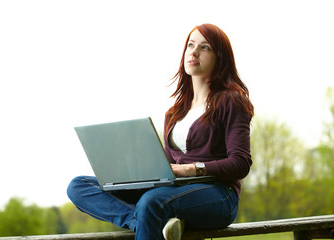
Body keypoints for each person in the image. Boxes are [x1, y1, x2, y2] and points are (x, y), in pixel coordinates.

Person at [67, 23, 254, 240]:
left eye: (205, 47)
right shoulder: (174, 113)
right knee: (79, 185)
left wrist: (191, 169)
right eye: (190, 45)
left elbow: (240, 163)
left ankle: (150, 218)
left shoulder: (232, 101)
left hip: (219, 194)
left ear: (220, 57)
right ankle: (140, 220)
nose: (193, 52)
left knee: (152, 201)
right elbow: (166, 163)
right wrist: (138, 174)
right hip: (173, 189)